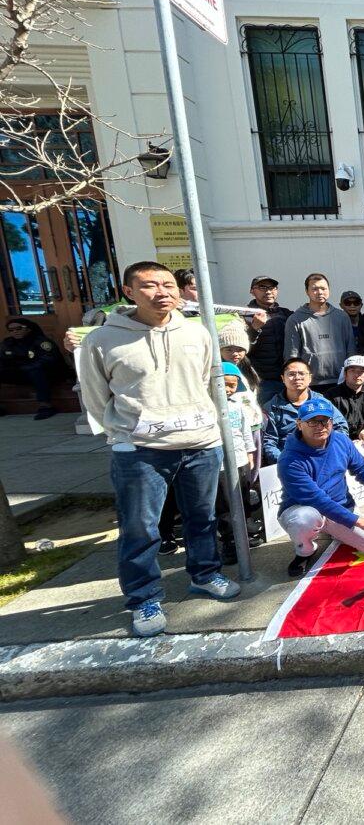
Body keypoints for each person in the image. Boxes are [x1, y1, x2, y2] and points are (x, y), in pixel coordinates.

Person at [77, 261, 240, 637]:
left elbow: (205, 383)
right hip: (140, 451)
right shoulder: (102, 340)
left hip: (199, 444)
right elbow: (95, 396)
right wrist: (122, 434)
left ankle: (205, 574)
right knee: (141, 529)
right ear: (129, 292)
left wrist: (207, 426)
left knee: (202, 520)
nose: (162, 291)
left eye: (168, 284)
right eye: (150, 285)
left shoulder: (197, 334)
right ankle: (144, 597)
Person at [277, 395, 364, 578]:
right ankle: (304, 551)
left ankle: (335, 531)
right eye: (312, 422)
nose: (320, 426)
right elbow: (317, 500)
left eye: (324, 421)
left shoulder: (340, 440)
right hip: (308, 509)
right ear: (299, 424)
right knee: (303, 519)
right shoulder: (289, 460)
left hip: (340, 506)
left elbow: (360, 466)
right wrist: (358, 521)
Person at [262, 357, 349, 465]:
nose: (297, 378)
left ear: (310, 378)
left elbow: (341, 427)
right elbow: (269, 442)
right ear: (283, 378)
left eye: (302, 373)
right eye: (291, 374)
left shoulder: (322, 402)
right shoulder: (272, 407)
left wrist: (329, 452)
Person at [283, 273, 356, 395]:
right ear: (307, 291)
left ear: (329, 290)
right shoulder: (295, 319)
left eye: (323, 288)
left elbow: (351, 349)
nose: (320, 292)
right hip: (310, 384)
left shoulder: (342, 316)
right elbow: (292, 355)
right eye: (315, 289)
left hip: (340, 382)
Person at [215, 362, 257, 564]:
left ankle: (246, 533)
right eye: (225, 384)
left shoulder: (237, 405)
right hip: (220, 464)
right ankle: (230, 541)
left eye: (233, 385)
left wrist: (250, 453)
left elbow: (245, 430)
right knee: (223, 505)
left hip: (240, 459)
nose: (229, 389)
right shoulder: (209, 406)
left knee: (243, 498)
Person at [1, 317, 66, 419]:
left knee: (36, 370)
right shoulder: (8, 343)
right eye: (11, 330)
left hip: (47, 374)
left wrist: (27, 367)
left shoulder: (41, 341)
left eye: (18, 328)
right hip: (22, 373)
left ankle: (46, 406)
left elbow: (49, 360)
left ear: (28, 328)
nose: (15, 332)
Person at [246, 275, 292, 405]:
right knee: (266, 419)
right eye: (262, 287)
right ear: (252, 291)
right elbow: (241, 350)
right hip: (262, 381)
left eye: (272, 288)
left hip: (288, 378)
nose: (268, 291)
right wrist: (254, 328)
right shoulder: (244, 315)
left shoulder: (286, 314)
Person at [325, 355, 364, 444]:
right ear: (345, 373)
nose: (357, 375)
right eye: (352, 371)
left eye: (362, 372)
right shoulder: (331, 394)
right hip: (338, 441)